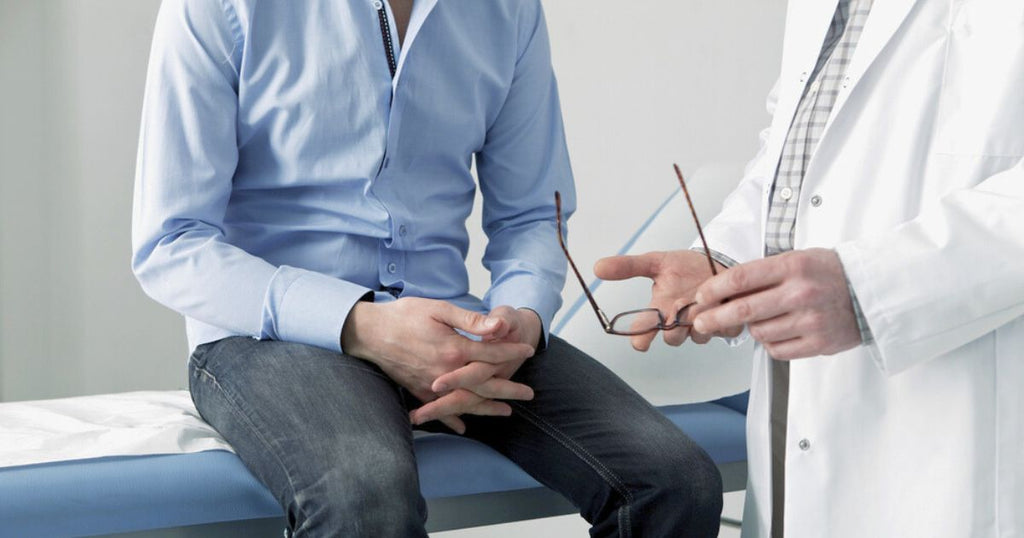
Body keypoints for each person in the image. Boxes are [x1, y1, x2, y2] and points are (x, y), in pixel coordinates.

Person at [131, 1, 723, 536]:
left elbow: (530, 216)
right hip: (270, 334)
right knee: (365, 496)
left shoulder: (508, 11)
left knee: (674, 481)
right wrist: (364, 326)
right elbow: (171, 242)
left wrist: (517, 321)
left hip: (458, 327)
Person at [594, 1, 1024, 537]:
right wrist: (728, 259)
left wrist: (869, 290)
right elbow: (794, 151)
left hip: (968, 407)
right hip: (798, 397)